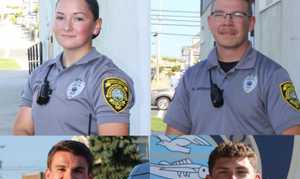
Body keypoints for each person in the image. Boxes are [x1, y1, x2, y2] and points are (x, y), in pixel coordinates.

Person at [164, 0, 300, 135]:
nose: (227, 22)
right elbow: (173, 141)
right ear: (210, 22)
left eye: (237, 14)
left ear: (251, 23)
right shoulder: (191, 78)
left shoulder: (273, 75)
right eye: (219, 14)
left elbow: (294, 142)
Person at [13, 0, 134, 135]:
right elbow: (22, 129)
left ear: (96, 26)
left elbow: (114, 142)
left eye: (78, 18)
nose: (66, 27)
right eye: (60, 17)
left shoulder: (108, 79)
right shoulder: (40, 73)